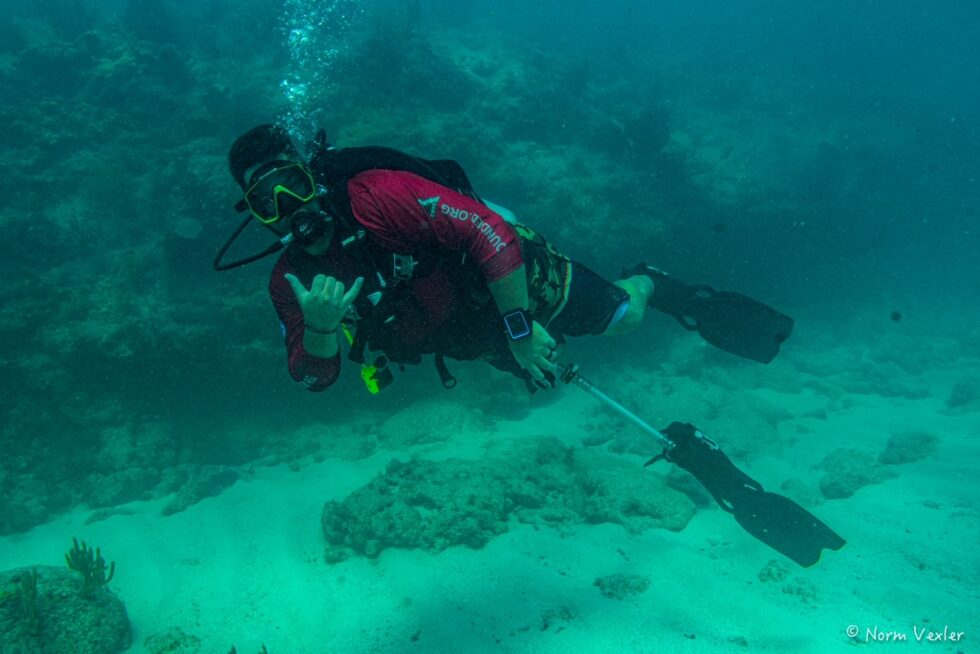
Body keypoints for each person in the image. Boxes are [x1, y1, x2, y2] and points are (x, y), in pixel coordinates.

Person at [219, 124, 793, 394]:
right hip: (455, 328)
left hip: (497, 274)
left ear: (311, 178)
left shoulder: (377, 195)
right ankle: (524, 341)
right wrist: (320, 332)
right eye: (267, 201)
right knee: (548, 375)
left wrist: (519, 327)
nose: (289, 207)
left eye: (292, 184)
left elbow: (489, 233)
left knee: (624, 319)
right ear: (255, 215)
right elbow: (314, 376)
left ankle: (653, 282)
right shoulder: (290, 279)